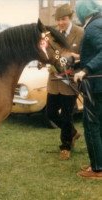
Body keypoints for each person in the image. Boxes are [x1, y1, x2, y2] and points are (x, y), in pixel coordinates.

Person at [46, 3, 83, 160]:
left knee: (67, 115)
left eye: (64, 19)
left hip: (70, 81)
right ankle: (73, 133)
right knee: (51, 114)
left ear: (70, 18)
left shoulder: (80, 33)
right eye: (58, 19)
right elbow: (47, 53)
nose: (60, 22)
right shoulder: (51, 34)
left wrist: (76, 60)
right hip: (54, 80)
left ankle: (65, 145)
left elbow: (85, 56)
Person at [73, 0, 102, 179]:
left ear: (84, 12)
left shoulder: (92, 27)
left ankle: (97, 168)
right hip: (98, 85)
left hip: (95, 85)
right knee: (99, 124)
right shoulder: (99, 23)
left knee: (91, 125)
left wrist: (85, 69)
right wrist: (77, 63)